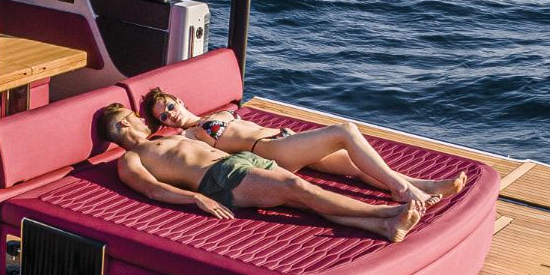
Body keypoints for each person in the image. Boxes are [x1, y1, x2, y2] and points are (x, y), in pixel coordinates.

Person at [97, 104, 425, 242]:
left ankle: (383, 227)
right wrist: (195, 198)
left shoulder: (168, 137)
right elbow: (152, 188)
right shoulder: (130, 159)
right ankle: (387, 213)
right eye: (133, 115)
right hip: (221, 177)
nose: (140, 118)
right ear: (124, 125)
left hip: (241, 161)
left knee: (305, 201)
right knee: (299, 188)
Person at [140, 88, 467, 209]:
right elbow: (191, 159)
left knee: (355, 164)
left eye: (169, 106)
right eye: (163, 116)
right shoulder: (190, 136)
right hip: (273, 151)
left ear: (179, 100)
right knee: (344, 131)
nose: (170, 114)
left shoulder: (219, 114)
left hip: (286, 138)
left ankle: (423, 185)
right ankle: (402, 190)